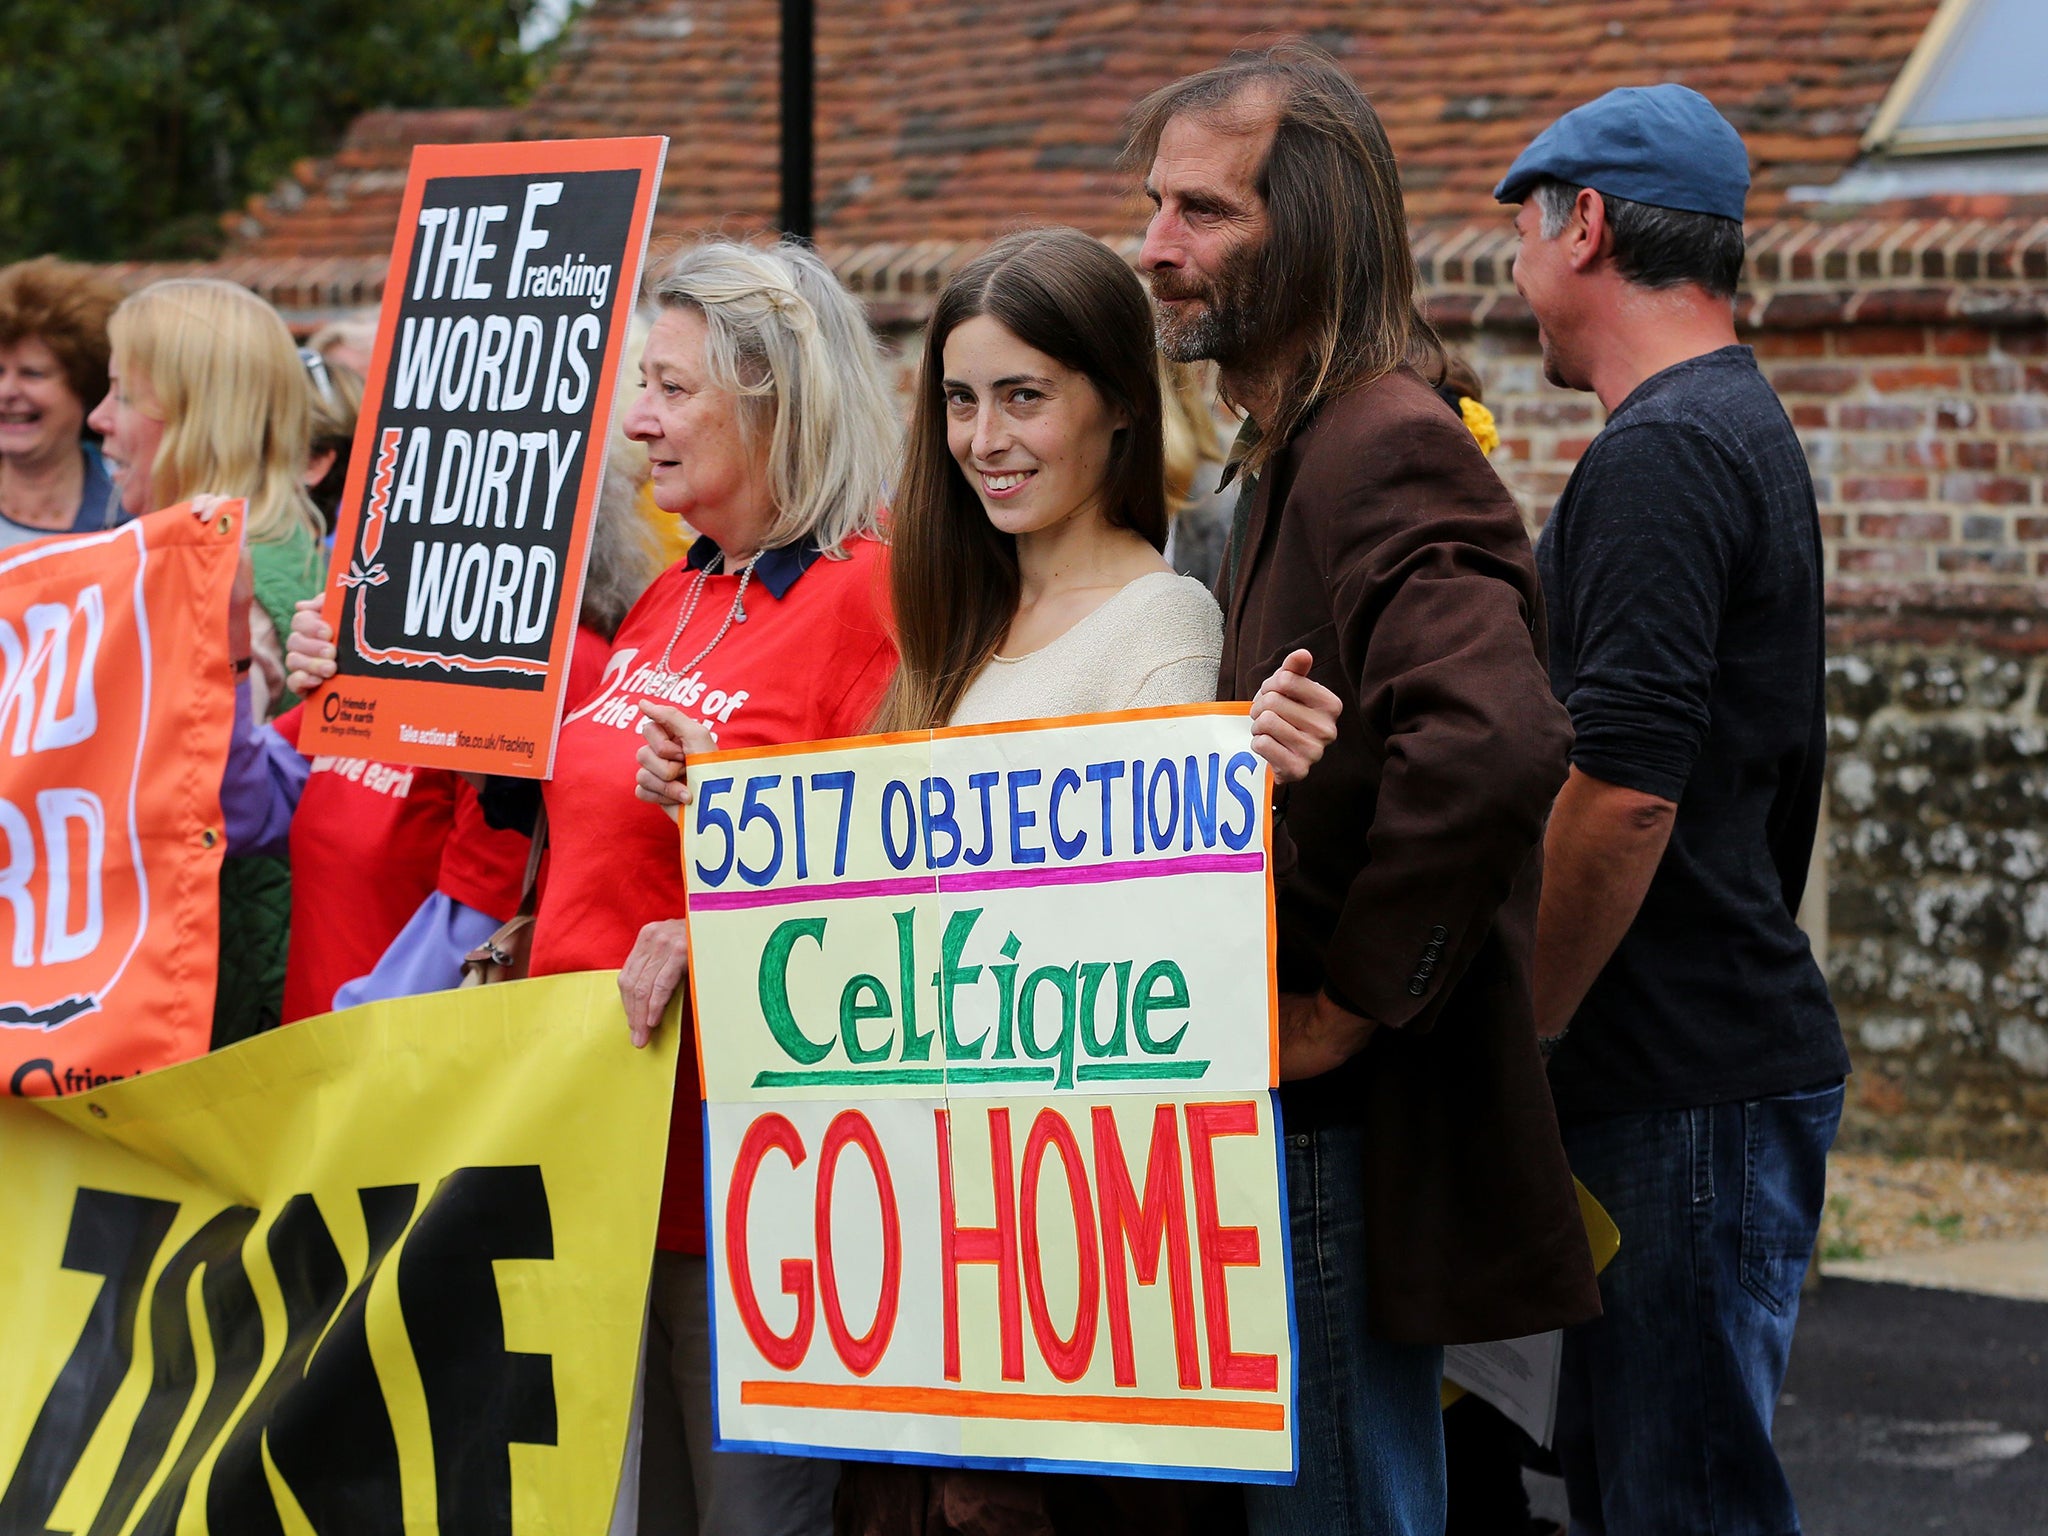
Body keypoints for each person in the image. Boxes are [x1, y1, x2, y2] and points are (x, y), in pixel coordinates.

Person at [628, 224, 1326, 1536]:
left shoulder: (1165, 624)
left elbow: (1154, 941)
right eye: (960, 399)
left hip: (1056, 1258)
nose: (985, 438)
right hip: (920, 1240)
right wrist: (733, 826)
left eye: (1024, 397)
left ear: (1117, 406)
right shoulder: (954, 628)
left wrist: (1265, 790)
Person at [1129, 45, 1599, 1536]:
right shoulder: (1301, 451)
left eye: (1200, 212)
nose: (1154, 248)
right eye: (1155, 207)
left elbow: (1495, 738)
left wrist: (1346, 1002)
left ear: (1314, 229)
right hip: (1300, 1134)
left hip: (1346, 1137)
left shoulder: (1385, 442)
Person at [1497, 85, 1849, 1536]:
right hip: (1712, 1066)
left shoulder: (1663, 452)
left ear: (1586, 224)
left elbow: (1628, 794)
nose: (1509, 258)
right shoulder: (1728, 420)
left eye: (1523, 219)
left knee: (1675, 1503)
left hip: (1677, 1087)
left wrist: (1528, 1029)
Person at [89, 277, 328, 1048]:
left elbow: (217, 799)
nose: (98, 420)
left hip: (220, 996)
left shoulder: (234, 582)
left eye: (124, 396)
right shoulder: (254, 553)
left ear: (198, 420)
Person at [0, 257, 125, 547]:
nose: (7, 391)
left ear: (84, 385)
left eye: (32, 374)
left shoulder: (133, 504)